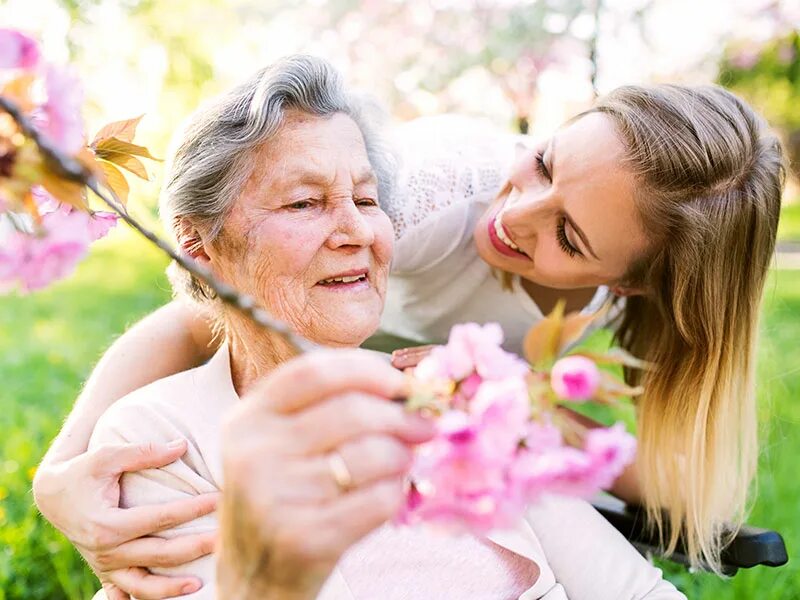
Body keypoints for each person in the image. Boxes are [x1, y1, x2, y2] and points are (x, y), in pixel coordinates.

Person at [34, 63, 785, 597]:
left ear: (626, 280)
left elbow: (673, 501)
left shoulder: (571, 358)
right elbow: (213, 305)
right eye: (545, 161)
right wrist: (62, 470)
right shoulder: (440, 188)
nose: (514, 213)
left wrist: (516, 407)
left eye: (571, 236)